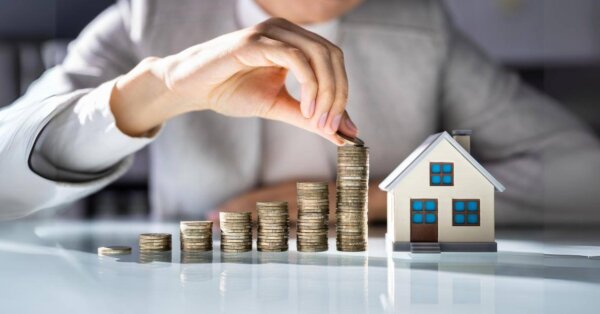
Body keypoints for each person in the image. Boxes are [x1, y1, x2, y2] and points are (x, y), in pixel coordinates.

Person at [1, 0, 599, 225]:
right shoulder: (150, 17)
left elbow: (585, 176)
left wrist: (366, 201)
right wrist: (159, 88)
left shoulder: (421, 27)